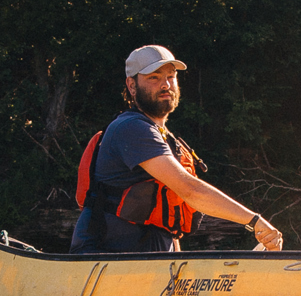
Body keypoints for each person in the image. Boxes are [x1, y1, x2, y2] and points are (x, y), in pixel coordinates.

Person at [71, 45, 286, 254]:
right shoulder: (131, 128)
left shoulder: (165, 137)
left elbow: (169, 225)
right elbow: (190, 190)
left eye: (171, 76)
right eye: (154, 77)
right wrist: (254, 221)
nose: (165, 84)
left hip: (150, 258)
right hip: (105, 257)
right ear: (132, 85)